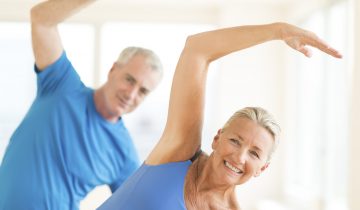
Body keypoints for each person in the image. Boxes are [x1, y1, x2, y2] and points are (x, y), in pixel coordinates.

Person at [97, 22, 342, 210]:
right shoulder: (179, 153)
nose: (239, 156)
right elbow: (197, 49)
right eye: (235, 140)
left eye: (254, 153)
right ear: (217, 138)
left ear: (262, 168)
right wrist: (278, 30)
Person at [0, 0, 163, 210]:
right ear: (113, 69)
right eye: (129, 80)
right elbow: (41, 20)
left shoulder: (123, 153)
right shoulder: (61, 84)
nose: (131, 94)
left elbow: (136, 205)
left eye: (142, 91)